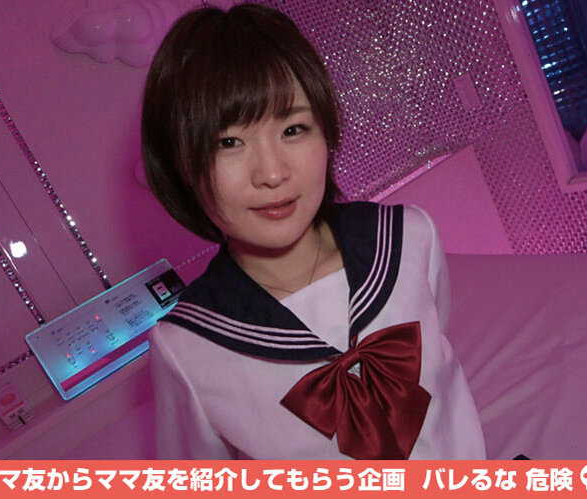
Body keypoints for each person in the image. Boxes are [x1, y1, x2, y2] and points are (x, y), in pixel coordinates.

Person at [141, 3, 485, 459]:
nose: (272, 173)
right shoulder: (186, 348)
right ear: (180, 166)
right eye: (228, 142)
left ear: (326, 132)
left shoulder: (410, 238)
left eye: (293, 129)